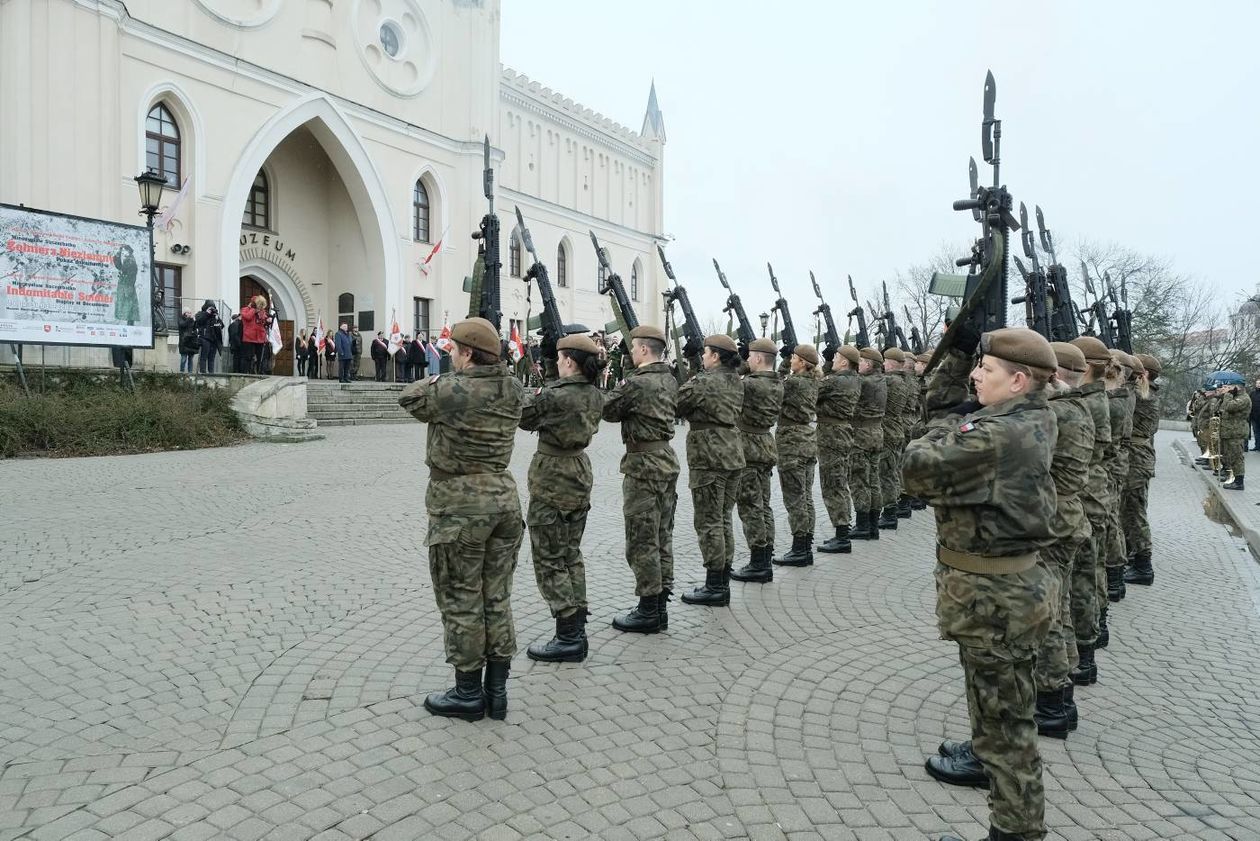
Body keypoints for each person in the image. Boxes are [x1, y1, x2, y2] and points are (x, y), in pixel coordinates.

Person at [906, 327, 1057, 841]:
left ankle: (1014, 834)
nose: (974, 375)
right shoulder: (1025, 417)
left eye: (984, 370)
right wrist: (957, 400)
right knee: (1000, 726)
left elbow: (917, 465)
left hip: (996, 605)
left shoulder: (999, 435)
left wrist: (945, 423)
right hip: (1000, 600)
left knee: (1006, 737)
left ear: (1017, 381)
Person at [398, 317, 525, 721]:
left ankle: (468, 693)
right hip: (505, 502)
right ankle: (497, 691)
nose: (449, 355)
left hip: (460, 506)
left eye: (453, 350)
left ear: (467, 354)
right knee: (496, 595)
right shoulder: (514, 388)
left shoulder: (453, 388)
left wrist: (438, 381)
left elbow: (409, 396)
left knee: (462, 597)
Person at [519, 333, 607, 662]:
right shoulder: (596, 395)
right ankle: (577, 623)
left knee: (549, 559)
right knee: (571, 554)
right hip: (579, 472)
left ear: (568, 361)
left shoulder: (553, 395)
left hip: (553, 478)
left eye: (559, 358)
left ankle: (568, 635)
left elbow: (522, 414)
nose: (556, 363)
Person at [1032, 342, 1095, 740]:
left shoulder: (1055, 414)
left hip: (1052, 520)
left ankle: (1051, 702)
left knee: (1047, 614)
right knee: (1063, 607)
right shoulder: (1079, 408)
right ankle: (1065, 691)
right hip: (1068, 517)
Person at [602, 325, 680, 633]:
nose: (631, 352)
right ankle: (660, 604)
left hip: (643, 466)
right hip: (665, 461)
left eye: (633, 348)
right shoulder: (670, 379)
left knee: (641, 539)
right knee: (662, 535)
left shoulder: (637, 383)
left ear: (645, 350)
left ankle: (648, 610)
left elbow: (608, 409)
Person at [677, 334, 746, 607]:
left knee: (708, 522)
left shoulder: (705, 381)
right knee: (723, 519)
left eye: (705, 353)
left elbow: (678, 402)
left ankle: (714, 585)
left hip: (709, 458)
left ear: (715, 356)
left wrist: (693, 369)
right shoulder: (736, 380)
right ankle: (722, 578)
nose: (703, 357)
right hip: (732, 454)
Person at [1066, 335, 1112, 681]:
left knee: (1081, 575)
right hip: (1094, 491)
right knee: (1090, 568)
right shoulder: (1097, 398)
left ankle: (1083, 654)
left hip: (1085, 494)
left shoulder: (1087, 402)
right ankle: (1090, 639)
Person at [730, 338, 784, 583]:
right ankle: (767, 553)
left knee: (750, 506)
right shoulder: (777, 383)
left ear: (759, 358)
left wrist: (737, 364)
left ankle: (758, 562)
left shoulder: (749, 384)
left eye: (750, 356)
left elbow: (729, 382)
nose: (747, 360)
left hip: (748, 448)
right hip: (765, 444)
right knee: (764, 504)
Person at [772, 344, 822, 566]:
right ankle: (806, 544)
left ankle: (799, 548)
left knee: (795, 498)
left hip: (792, 443)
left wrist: (782, 365)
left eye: (793, 357)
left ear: (802, 362)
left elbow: (774, 387)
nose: (790, 360)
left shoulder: (793, 383)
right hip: (807, 439)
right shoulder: (814, 381)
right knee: (806, 496)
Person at [815, 345, 861, 554]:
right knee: (840, 482)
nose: (832, 359)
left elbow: (814, 390)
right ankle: (843, 531)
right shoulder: (853, 379)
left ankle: (842, 536)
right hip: (842, 432)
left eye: (835, 357)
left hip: (831, 436)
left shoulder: (835, 381)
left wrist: (823, 366)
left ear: (844, 362)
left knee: (833, 484)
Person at [1124, 354, 1162, 585]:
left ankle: (1143, 566)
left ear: (1144, 374)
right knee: (1131, 512)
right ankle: (1134, 557)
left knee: (1134, 514)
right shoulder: (1145, 393)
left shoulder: (1142, 395)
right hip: (1138, 459)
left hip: (1136, 460)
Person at [848, 347, 887, 541]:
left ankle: (862, 524)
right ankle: (873, 524)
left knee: (859, 481)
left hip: (861, 436)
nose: (858, 364)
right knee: (873, 480)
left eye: (861, 361)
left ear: (869, 364)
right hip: (876, 433)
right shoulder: (881, 380)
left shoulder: (863, 382)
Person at [877, 347, 910, 530]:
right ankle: (891, 509)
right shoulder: (903, 380)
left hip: (888, 430)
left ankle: (889, 513)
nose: (883, 364)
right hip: (896, 428)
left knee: (887, 474)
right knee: (893, 470)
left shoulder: (890, 380)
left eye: (885, 360)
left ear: (892, 363)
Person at [1218, 379, 1250, 490]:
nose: (1228, 389)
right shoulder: (1234, 397)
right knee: (1230, 457)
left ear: (1238, 387)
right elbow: (1222, 409)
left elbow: (1230, 407)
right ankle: (1232, 477)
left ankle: (1239, 482)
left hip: (1237, 432)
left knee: (1237, 457)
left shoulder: (1244, 398)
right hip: (1230, 432)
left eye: (1230, 387)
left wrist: (1227, 395)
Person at [239, 295, 269, 374]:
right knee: (248, 357)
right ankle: (245, 372)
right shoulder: (245, 309)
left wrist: (267, 319)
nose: (260, 307)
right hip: (249, 338)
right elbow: (247, 317)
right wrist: (253, 310)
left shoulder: (262, 311)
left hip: (260, 338)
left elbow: (263, 321)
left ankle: (260, 372)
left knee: (261, 358)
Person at [177, 308, 198, 373]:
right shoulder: (180, 319)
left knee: (191, 359)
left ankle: (190, 372)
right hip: (184, 342)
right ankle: (181, 372)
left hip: (191, 343)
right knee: (184, 359)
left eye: (190, 313)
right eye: (188, 312)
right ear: (184, 313)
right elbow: (182, 325)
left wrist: (194, 321)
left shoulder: (192, 321)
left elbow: (195, 329)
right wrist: (189, 319)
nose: (190, 314)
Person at [1250, 378, 1260, 451]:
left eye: (1259, 383)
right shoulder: (1252, 393)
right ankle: (1257, 446)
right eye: (1257, 383)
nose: (1258, 384)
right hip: (1254, 416)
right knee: (1256, 432)